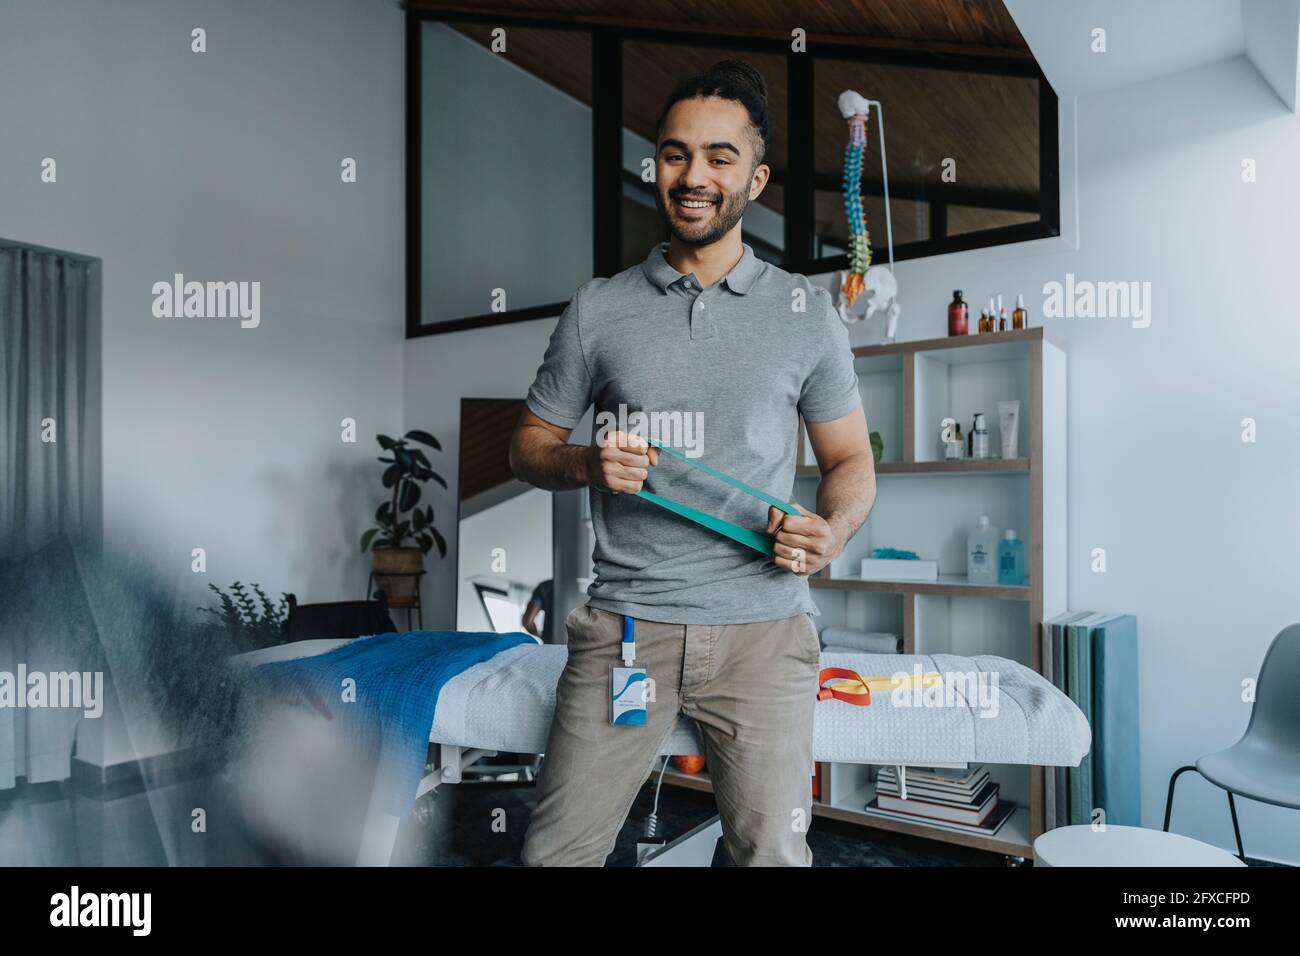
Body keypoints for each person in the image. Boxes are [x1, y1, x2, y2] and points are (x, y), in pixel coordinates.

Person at [508, 60, 876, 866]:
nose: (694, 176)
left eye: (719, 156)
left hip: (765, 631)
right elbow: (527, 446)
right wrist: (585, 463)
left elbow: (849, 459)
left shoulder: (807, 314)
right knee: (552, 856)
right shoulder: (596, 309)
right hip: (626, 627)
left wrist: (832, 530)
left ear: (756, 175)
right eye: (675, 155)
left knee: (770, 859)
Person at [522, 578, 554, 644]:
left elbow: (527, 622)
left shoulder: (546, 586)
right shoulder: (580, 585)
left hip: (553, 644)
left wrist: (542, 636)